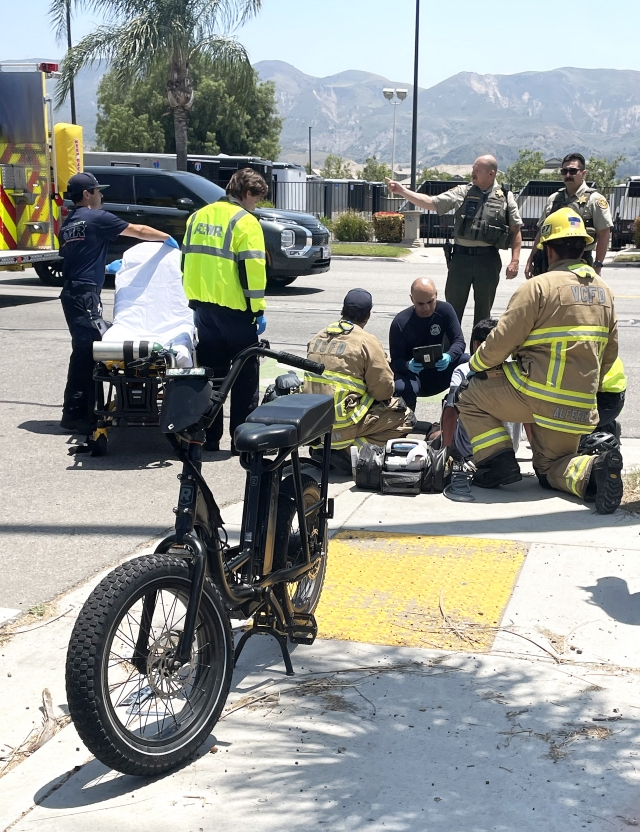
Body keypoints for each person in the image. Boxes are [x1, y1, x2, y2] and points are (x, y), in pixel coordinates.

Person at [457, 207, 622, 514]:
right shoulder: (605, 292)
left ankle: (497, 461)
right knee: (550, 468)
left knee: (467, 396)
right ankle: (592, 470)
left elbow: (499, 343)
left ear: (548, 249)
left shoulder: (539, 287)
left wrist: (475, 367)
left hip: (534, 394)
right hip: (579, 405)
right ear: (583, 246)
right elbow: (609, 354)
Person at [59, 171, 175, 435]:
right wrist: (166, 239)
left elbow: (80, 254)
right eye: (98, 191)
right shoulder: (95, 217)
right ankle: (76, 414)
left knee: (83, 352)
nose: (101, 195)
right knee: (88, 353)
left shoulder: (69, 223)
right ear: (87, 195)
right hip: (85, 294)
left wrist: (105, 267)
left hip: (73, 292)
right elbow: (138, 231)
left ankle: (78, 411)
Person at [182, 168, 269, 454]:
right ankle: (240, 440)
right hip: (236, 311)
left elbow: (185, 262)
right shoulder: (245, 221)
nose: (255, 205)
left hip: (203, 310)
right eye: (255, 199)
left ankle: (209, 437)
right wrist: (257, 310)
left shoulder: (197, 216)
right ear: (246, 194)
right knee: (244, 375)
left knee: (212, 376)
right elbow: (253, 270)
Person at [386, 155, 523, 324]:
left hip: (488, 261)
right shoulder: (463, 192)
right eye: (473, 169)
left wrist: (515, 261)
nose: (472, 173)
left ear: (491, 174)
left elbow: (515, 230)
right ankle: (449, 350)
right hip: (460, 260)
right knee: (452, 312)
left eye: (477, 170)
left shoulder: (506, 196)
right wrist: (402, 191)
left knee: (484, 315)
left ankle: (479, 349)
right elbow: (431, 202)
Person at [304, 288, 415, 469]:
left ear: (343, 310)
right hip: (343, 422)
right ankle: (349, 453)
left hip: (315, 425)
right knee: (406, 418)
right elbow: (383, 390)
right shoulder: (366, 341)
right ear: (368, 315)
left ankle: (323, 450)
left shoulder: (318, 337)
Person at [525, 153, 613, 279]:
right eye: (564, 171)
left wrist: (597, 265)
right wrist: (531, 259)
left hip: (581, 260)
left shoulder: (595, 200)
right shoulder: (554, 199)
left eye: (572, 171)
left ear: (583, 173)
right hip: (551, 260)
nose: (567, 175)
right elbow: (542, 232)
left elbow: (604, 233)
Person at [390, 278, 469, 412]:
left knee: (467, 362)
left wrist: (449, 356)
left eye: (430, 302)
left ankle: (457, 412)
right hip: (414, 375)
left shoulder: (445, 310)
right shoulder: (400, 322)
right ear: (412, 299)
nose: (426, 308)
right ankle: (404, 423)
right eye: (420, 304)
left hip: (440, 371)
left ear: (436, 295)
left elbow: (459, 341)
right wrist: (408, 365)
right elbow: (395, 361)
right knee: (401, 386)